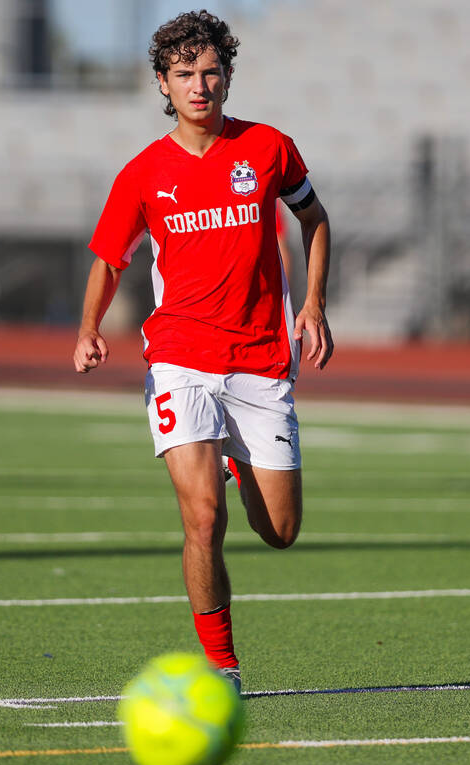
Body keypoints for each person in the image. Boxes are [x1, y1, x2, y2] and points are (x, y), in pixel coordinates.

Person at [73, 10, 332, 691]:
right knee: (201, 518)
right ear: (163, 81)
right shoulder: (142, 174)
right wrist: (89, 327)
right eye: (184, 73)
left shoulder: (270, 149)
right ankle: (220, 664)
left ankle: (241, 465)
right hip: (180, 355)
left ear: (227, 77)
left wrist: (313, 304)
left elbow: (314, 218)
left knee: (280, 531)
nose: (200, 84)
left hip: (261, 359)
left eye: (211, 71)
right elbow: (108, 257)